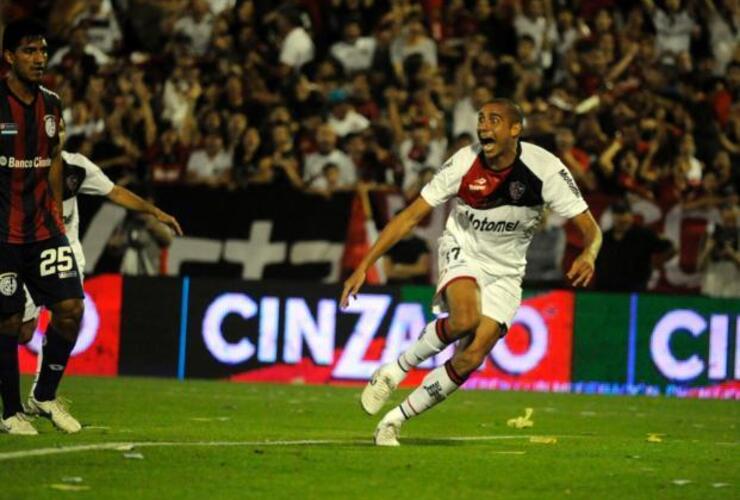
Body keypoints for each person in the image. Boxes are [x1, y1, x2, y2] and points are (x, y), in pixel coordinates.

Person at [340, 99, 602, 446]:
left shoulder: (545, 169)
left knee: (471, 357)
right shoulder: (465, 162)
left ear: (515, 129)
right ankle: (395, 370)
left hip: (507, 271)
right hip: (464, 250)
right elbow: (410, 216)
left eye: (494, 120)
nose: (484, 127)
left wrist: (589, 252)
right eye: (481, 119)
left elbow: (591, 228)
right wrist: (364, 264)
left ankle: (395, 420)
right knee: (464, 318)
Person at [0, 19, 83, 435]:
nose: (39, 59)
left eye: (43, 51)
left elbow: (52, 159)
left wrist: (57, 212)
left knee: (71, 310)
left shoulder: (51, 103)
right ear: (9, 56)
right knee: (10, 322)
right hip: (2, 231)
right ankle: (9, 411)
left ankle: (44, 395)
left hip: (44, 228)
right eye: (30, 51)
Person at [18, 148, 183, 346]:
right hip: (31, 250)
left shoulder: (77, 166)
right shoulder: (22, 167)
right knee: (24, 332)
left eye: (60, 128)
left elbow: (115, 191)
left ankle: (46, 376)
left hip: (64, 253)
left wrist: (155, 214)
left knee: (70, 314)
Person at [594, 200, 675, 292]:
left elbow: (670, 248)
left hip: (634, 289)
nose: (621, 218)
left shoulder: (644, 235)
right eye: (618, 214)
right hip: (605, 291)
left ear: (631, 215)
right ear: (613, 216)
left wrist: (656, 263)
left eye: (624, 213)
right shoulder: (604, 238)